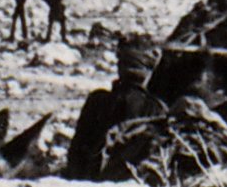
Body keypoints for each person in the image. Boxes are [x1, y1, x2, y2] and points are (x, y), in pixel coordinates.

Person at [65, 34, 163, 179]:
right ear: (149, 71)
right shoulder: (156, 108)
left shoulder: (97, 100)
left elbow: (75, 154)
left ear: (120, 67)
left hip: (86, 178)